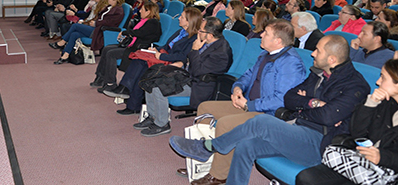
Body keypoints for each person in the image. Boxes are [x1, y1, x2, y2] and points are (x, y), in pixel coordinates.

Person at [168, 35, 370, 185]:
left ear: (332, 59)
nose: (312, 53)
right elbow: (290, 98)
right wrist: (313, 103)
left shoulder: (356, 85)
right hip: (297, 129)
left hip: (318, 143)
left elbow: (327, 117)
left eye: (317, 51)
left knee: (260, 122)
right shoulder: (318, 73)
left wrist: (305, 103)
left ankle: (207, 148)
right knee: (247, 146)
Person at [181, 18, 309, 184]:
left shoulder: (291, 63)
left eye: (266, 33)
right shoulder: (265, 54)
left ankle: (219, 175)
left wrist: (249, 105)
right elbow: (248, 75)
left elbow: (281, 100)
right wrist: (237, 88)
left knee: (225, 124)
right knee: (206, 107)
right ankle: (204, 161)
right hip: (248, 104)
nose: (261, 34)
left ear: (278, 41)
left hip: (265, 113)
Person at [296, 59, 398, 185]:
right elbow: (357, 134)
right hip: (361, 164)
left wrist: (383, 157)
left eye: (383, 78)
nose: (377, 82)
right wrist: (370, 103)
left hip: (394, 174)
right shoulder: (384, 103)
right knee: (306, 177)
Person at [136, 17, 232, 137]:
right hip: (187, 76)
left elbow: (198, 71)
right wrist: (183, 63)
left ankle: (162, 124)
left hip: (199, 85)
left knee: (158, 89)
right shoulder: (208, 42)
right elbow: (190, 61)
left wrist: (194, 50)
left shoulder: (221, 53)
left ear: (210, 35)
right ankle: (152, 116)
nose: (198, 32)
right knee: (151, 79)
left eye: (201, 31)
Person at [103, 7, 202, 115]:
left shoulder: (194, 38)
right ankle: (127, 93)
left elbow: (183, 56)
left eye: (182, 17)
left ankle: (128, 96)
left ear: (189, 21)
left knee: (144, 66)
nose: (179, 18)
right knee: (139, 60)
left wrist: (161, 56)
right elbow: (167, 46)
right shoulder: (180, 32)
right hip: (164, 57)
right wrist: (156, 50)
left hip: (174, 63)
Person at [92, 2, 162, 92]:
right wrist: (128, 33)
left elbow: (139, 33)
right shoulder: (144, 21)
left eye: (142, 9)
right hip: (133, 45)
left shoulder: (153, 23)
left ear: (148, 12)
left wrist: (126, 32)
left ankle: (111, 84)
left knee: (111, 54)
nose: (140, 11)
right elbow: (136, 33)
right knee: (106, 49)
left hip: (138, 49)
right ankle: (101, 78)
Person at [51, 0, 125, 64]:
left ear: (115, 0)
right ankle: (65, 55)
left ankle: (62, 42)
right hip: (97, 28)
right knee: (74, 34)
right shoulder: (109, 7)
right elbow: (100, 18)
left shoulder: (118, 11)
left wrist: (96, 23)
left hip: (102, 32)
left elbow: (110, 23)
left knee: (75, 26)